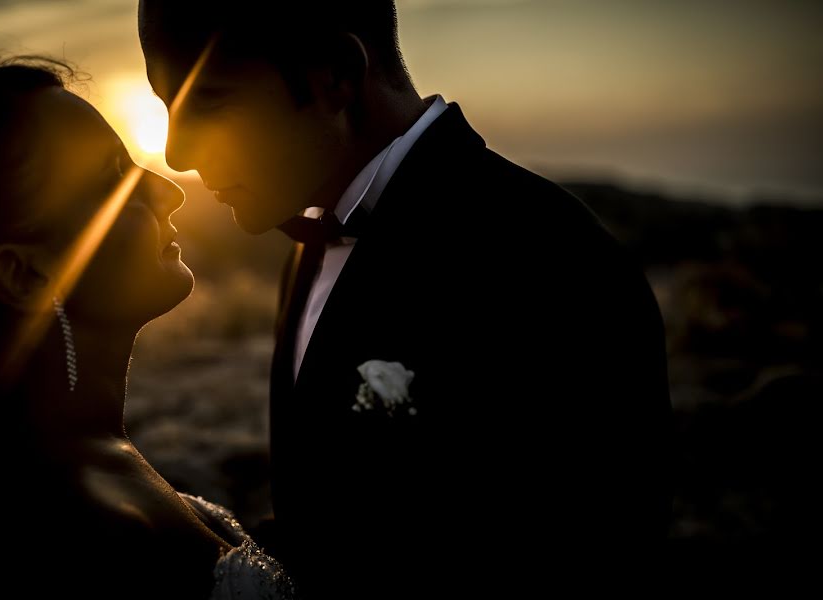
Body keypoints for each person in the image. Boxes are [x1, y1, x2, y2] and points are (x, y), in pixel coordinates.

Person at [139, 0, 673, 595]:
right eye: (165, 107)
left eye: (207, 101)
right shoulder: (308, 243)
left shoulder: (555, 259)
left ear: (336, 76)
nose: (177, 152)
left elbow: (601, 550)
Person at [0, 59, 295, 599]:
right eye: (112, 180)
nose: (171, 192)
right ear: (21, 272)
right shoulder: (76, 527)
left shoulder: (73, 449)